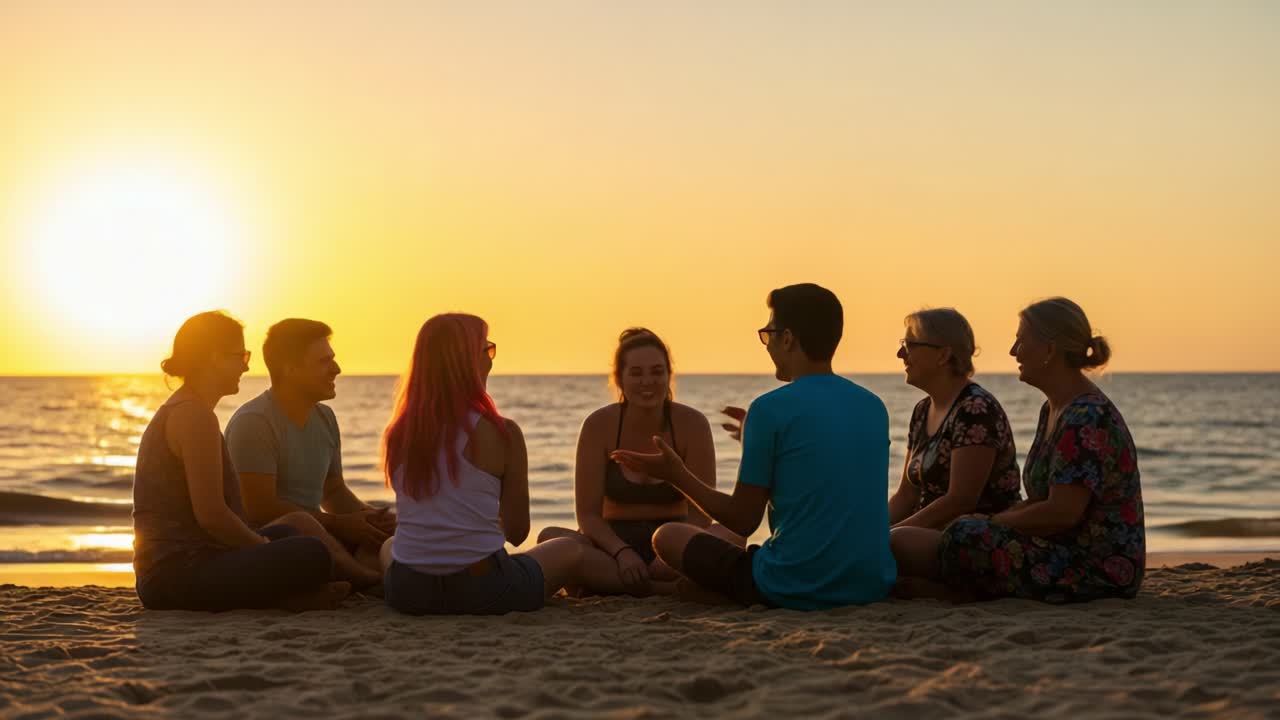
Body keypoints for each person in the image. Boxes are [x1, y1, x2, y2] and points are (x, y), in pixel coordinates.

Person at [613, 284, 897, 610]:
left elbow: (743, 519)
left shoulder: (769, 409)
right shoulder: (873, 406)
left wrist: (676, 474)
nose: (767, 345)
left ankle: (708, 593)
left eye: (768, 334)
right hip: (871, 583)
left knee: (667, 537)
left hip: (792, 585)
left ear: (787, 338)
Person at [892, 298, 1144, 602]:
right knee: (960, 533)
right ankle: (950, 588)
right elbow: (1041, 501)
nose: (1013, 351)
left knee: (964, 535)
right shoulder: (1053, 409)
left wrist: (990, 523)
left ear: (1050, 350)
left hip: (1095, 568)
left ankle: (955, 591)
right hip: (1055, 548)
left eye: (1021, 341)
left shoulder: (1087, 416)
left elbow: (1062, 512)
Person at [379, 314, 631, 615]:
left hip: (410, 593)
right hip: (484, 590)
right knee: (568, 548)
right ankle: (652, 587)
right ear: (469, 361)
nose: (491, 359)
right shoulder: (502, 432)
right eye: (487, 349)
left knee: (389, 545)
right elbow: (516, 531)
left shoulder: (399, 433)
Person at [132, 311, 348, 611]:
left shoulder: (191, 410)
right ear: (214, 358)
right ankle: (288, 599)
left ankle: (289, 597)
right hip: (175, 575)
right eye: (241, 356)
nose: (246, 367)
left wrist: (265, 545)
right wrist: (261, 547)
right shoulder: (194, 417)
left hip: (192, 561)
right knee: (311, 553)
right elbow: (212, 516)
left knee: (292, 533)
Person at [537, 328, 737, 595]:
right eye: (636, 373)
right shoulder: (599, 425)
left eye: (657, 372)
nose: (647, 381)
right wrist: (623, 552)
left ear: (669, 375)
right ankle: (665, 590)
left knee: (733, 533)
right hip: (612, 546)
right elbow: (588, 516)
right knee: (550, 538)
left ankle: (620, 585)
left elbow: (700, 513)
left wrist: (673, 549)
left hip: (675, 538)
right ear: (619, 379)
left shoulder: (692, 423)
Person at [226, 319, 387, 588]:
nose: (337, 369)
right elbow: (258, 507)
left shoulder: (325, 417)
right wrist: (338, 525)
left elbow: (334, 492)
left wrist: (371, 521)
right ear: (290, 369)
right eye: (324, 362)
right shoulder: (254, 422)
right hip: (264, 543)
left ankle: (356, 575)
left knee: (382, 536)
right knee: (307, 531)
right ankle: (368, 581)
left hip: (319, 532)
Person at [888, 308, 1021, 529]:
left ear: (943, 355)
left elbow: (960, 501)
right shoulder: (922, 411)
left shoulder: (975, 409)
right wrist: (872, 534)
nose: (900, 354)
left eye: (909, 345)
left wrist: (892, 535)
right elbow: (905, 495)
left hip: (974, 538)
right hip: (924, 533)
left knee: (895, 543)